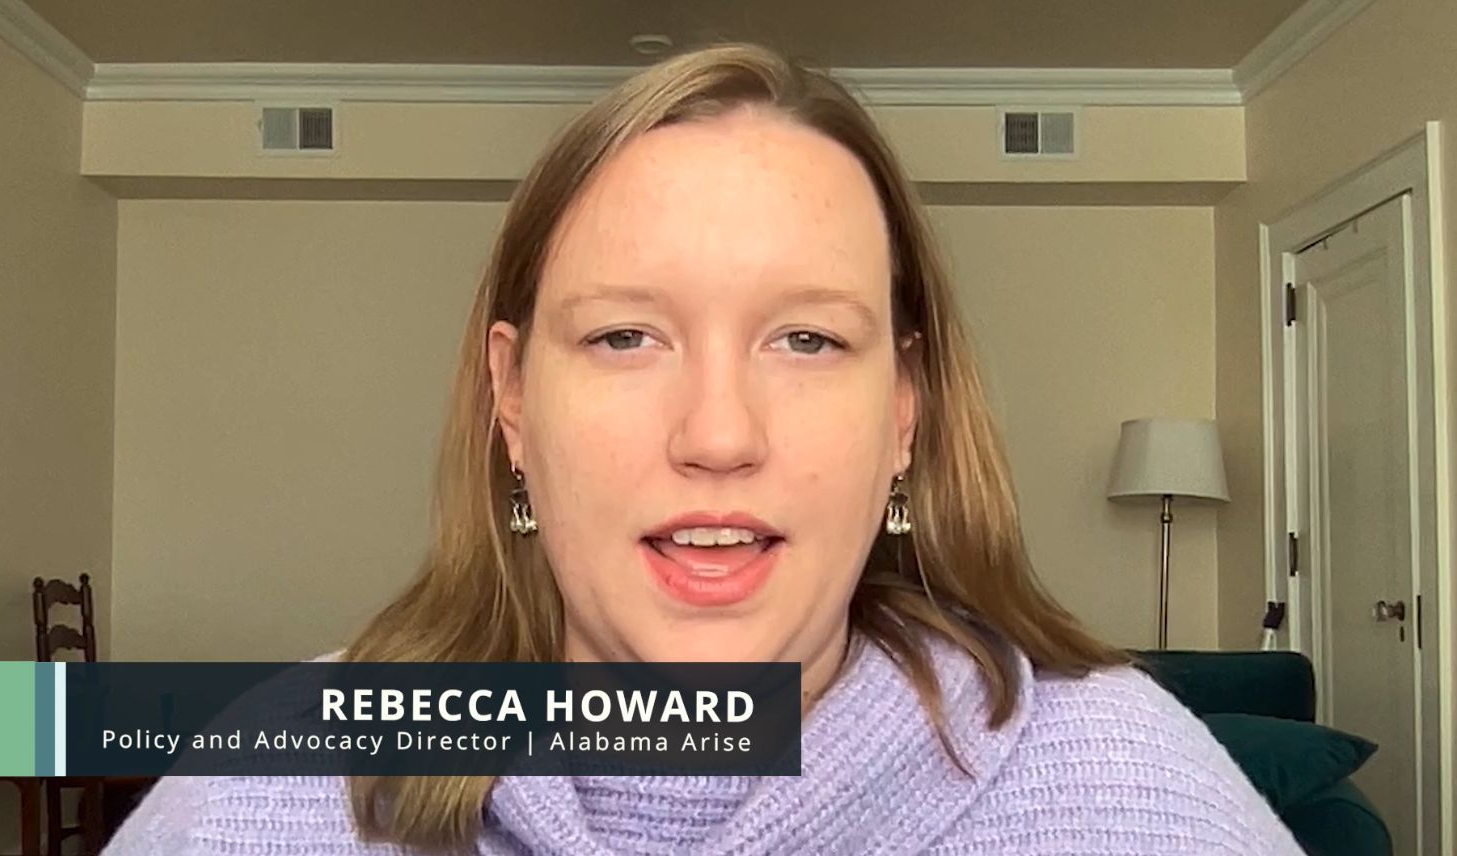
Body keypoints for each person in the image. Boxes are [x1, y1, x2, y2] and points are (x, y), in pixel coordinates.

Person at [105, 43, 1303, 855]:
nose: (719, 433)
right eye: (627, 336)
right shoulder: (261, 790)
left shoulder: (1130, 792)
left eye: (808, 340)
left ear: (905, 411)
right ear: (513, 402)